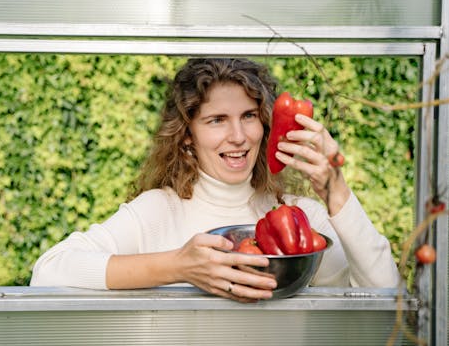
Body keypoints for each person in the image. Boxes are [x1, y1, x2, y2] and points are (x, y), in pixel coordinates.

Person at [30, 57, 400, 303]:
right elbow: (48, 272)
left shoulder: (303, 216)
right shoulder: (157, 211)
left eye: (249, 116)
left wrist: (336, 190)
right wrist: (178, 266)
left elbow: (386, 295)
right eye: (217, 120)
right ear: (187, 134)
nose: (238, 136)